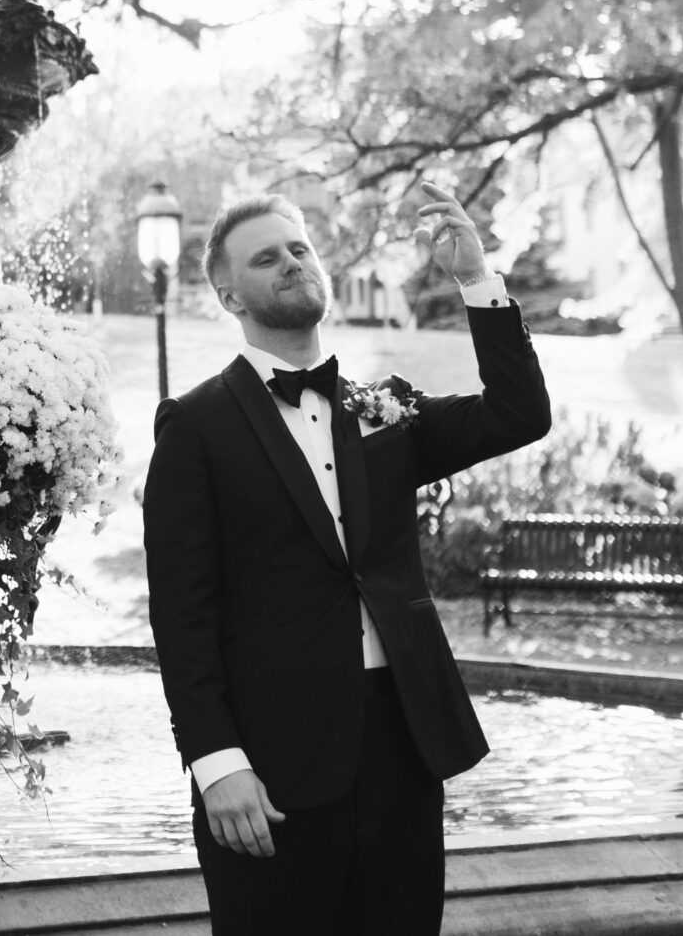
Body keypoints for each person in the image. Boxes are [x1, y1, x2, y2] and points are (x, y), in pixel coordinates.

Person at [143, 178, 549, 935]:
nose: (294, 262)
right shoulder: (194, 426)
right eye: (268, 257)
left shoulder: (379, 406)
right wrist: (216, 762)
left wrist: (475, 277)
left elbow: (520, 413)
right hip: (270, 760)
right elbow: (181, 613)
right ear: (230, 295)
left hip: (402, 741)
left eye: (300, 247)